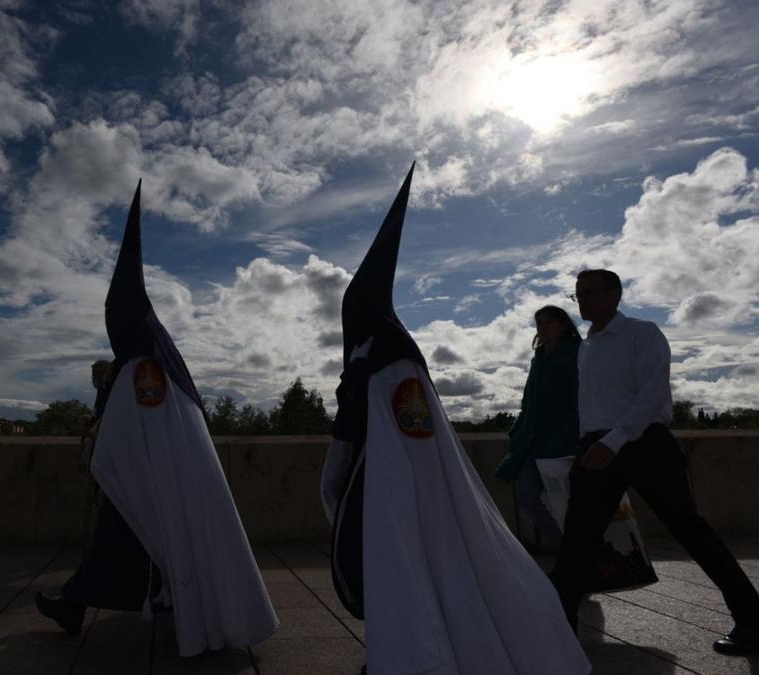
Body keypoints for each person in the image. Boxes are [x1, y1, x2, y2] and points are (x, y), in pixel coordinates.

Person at [321, 165, 590, 674]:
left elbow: (407, 427)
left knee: (403, 564)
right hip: (377, 472)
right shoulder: (376, 350)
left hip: (391, 479)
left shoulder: (390, 353)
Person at [37, 182, 279, 657]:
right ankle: (80, 602)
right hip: (159, 479)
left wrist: (102, 456)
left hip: (150, 482)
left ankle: (78, 603)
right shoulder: (155, 357)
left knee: (120, 541)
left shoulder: (144, 365)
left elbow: (130, 428)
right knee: (129, 549)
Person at [550, 269, 759, 655]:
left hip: (644, 445)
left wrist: (613, 442)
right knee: (578, 537)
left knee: (689, 530)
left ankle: (753, 618)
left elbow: (651, 396)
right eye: (578, 294)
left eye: (590, 293)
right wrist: (588, 444)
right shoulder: (587, 347)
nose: (581, 301)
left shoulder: (643, 334)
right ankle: (559, 630)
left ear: (615, 295)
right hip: (598, 446)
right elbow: (591, 406)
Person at [496, 306, 581, 551]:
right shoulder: (539, 357)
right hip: (532, 442)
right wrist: (517, 431)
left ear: (563, 325)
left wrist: (569, 435)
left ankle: (577, 551)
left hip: (562, 443)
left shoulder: (576, 353)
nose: (542, 328)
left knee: (569, 502)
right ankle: (564, 547)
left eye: (548, 323)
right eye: (539, 324)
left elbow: (580, 399)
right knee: (526, 496)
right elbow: (528, 401)